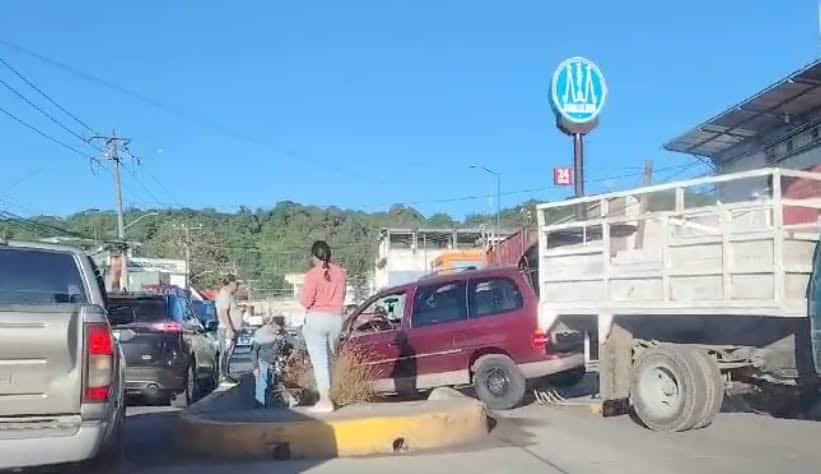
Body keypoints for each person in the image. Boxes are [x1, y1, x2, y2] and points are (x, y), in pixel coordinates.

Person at [299, 240, 347, 413]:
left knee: (320, 362)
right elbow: (342, 297)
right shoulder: (341, 273)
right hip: (336, 319)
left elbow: (305, 301)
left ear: (314, 256)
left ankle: (325, 400)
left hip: (317, 319)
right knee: (330, 359)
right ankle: (329, 397)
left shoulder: (312, 275)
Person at [251, 315, 287, 407]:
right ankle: (260, 406)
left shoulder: (281, 332)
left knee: (272, 385)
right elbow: (254, 351)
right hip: (262, 361)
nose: (278, 332)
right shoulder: (260, 333)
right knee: (262, 384)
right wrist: (255, 367)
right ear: (271, 325)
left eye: (280, 330)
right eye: (276, 330)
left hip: (274, 362)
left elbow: (288, 343)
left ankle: (271, 406)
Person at [216, 274, 242, 384]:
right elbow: (223, 313)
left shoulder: (229, 295)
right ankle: (222, 376)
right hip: (226, 330)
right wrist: (229, 329)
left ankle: (226, 373)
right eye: (237, 284)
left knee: (229, 353)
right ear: (231, 283)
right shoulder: (224, 295)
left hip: (232, 329)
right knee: (225, 353)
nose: (238, 286)